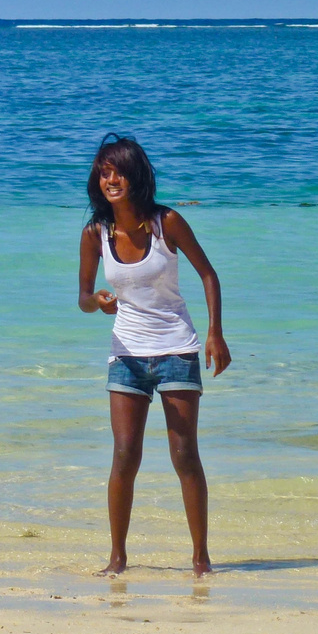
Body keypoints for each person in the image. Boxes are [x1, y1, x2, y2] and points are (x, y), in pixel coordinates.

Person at [78, 134, 231, 578]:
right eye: (104, 172)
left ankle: (201, 558)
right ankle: (117, 558)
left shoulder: (168, 222)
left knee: (184, 454)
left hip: (176, 349)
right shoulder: (95, 233)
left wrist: (215, 334)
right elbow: (84, 296)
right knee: (125, 454)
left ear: (136, 175)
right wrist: (98, 303)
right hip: (125, 353)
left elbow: (208, 274)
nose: (111, 179)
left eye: (119, 171)